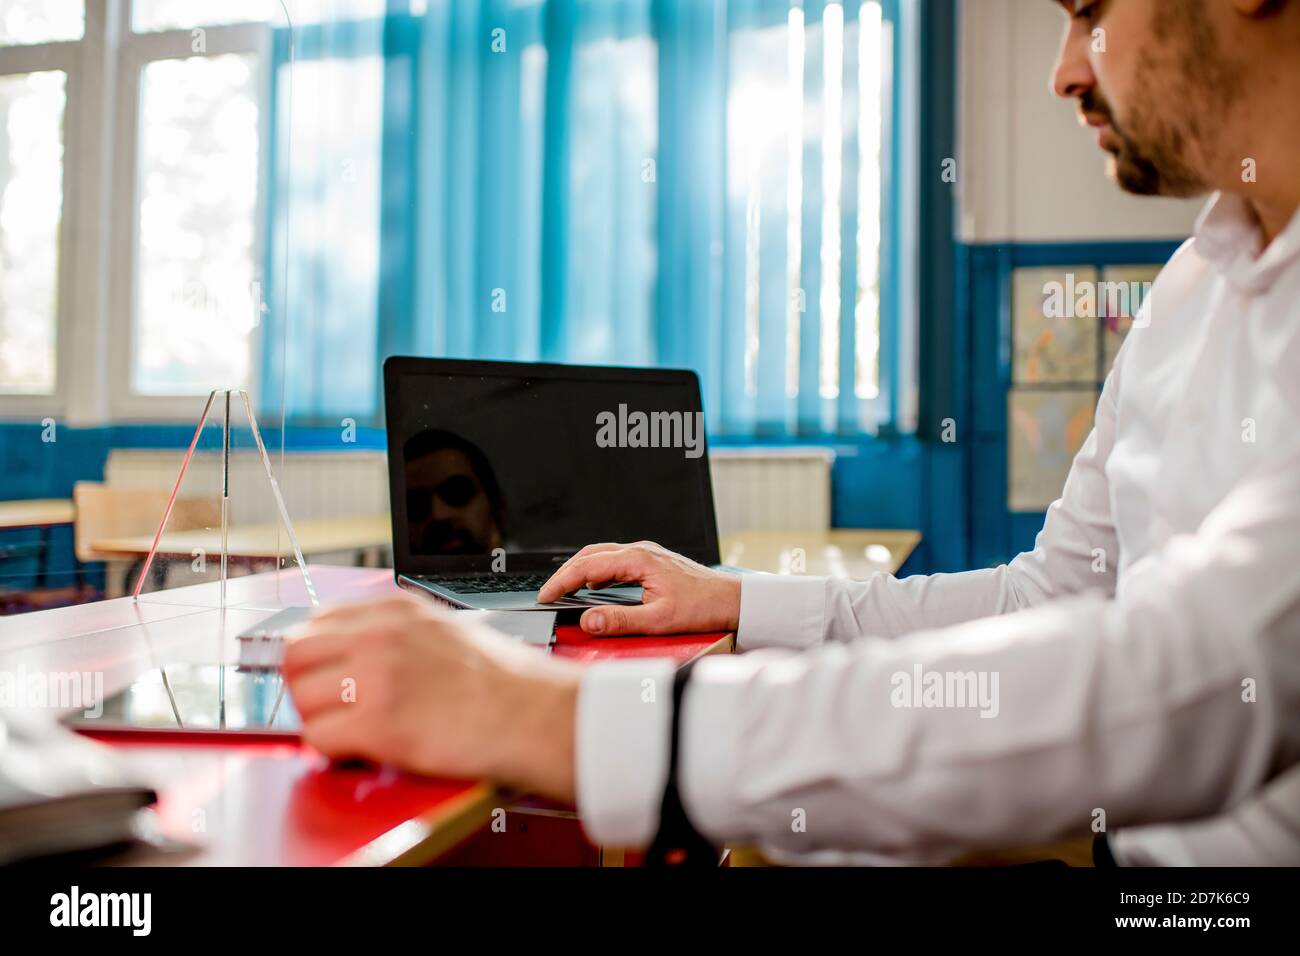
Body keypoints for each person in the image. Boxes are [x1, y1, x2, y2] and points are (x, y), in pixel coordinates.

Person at [283, 0, 1300, 864]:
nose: (1063, 72)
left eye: (1089, 11)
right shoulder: (1186, 292)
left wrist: (541, 713)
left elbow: (1193, 675)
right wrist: (732, 597)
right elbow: (1051, 597)